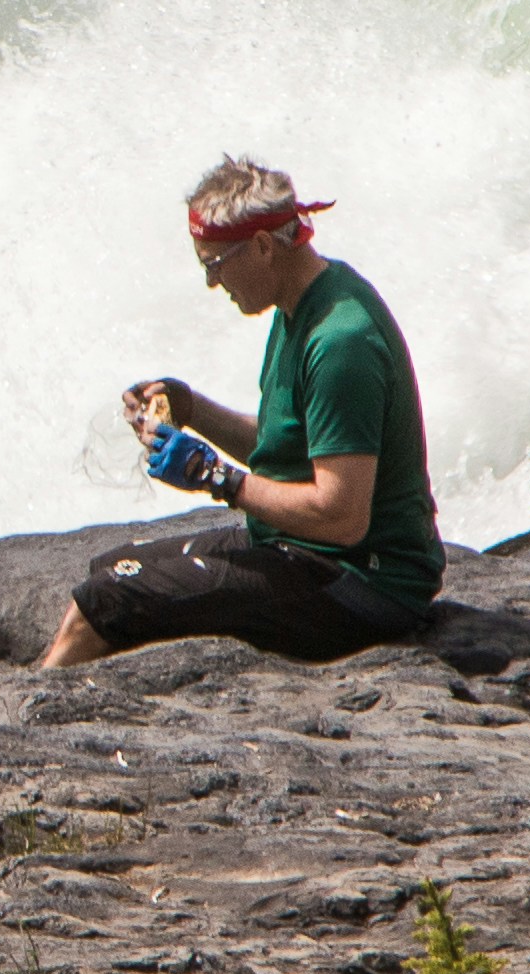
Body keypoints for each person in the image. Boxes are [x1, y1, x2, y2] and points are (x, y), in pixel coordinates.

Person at [40, 158, 444, 668]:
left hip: (362, 583)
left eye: (214, 264)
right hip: (306, 552)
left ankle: (24, 737)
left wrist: (216, 477)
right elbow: (291, 451)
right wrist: (190, 410)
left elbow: (341, 516)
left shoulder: (342, 341)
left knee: (105, 600)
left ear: (261, 246)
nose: (212, 283)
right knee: (109, 568)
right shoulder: (301, 305)